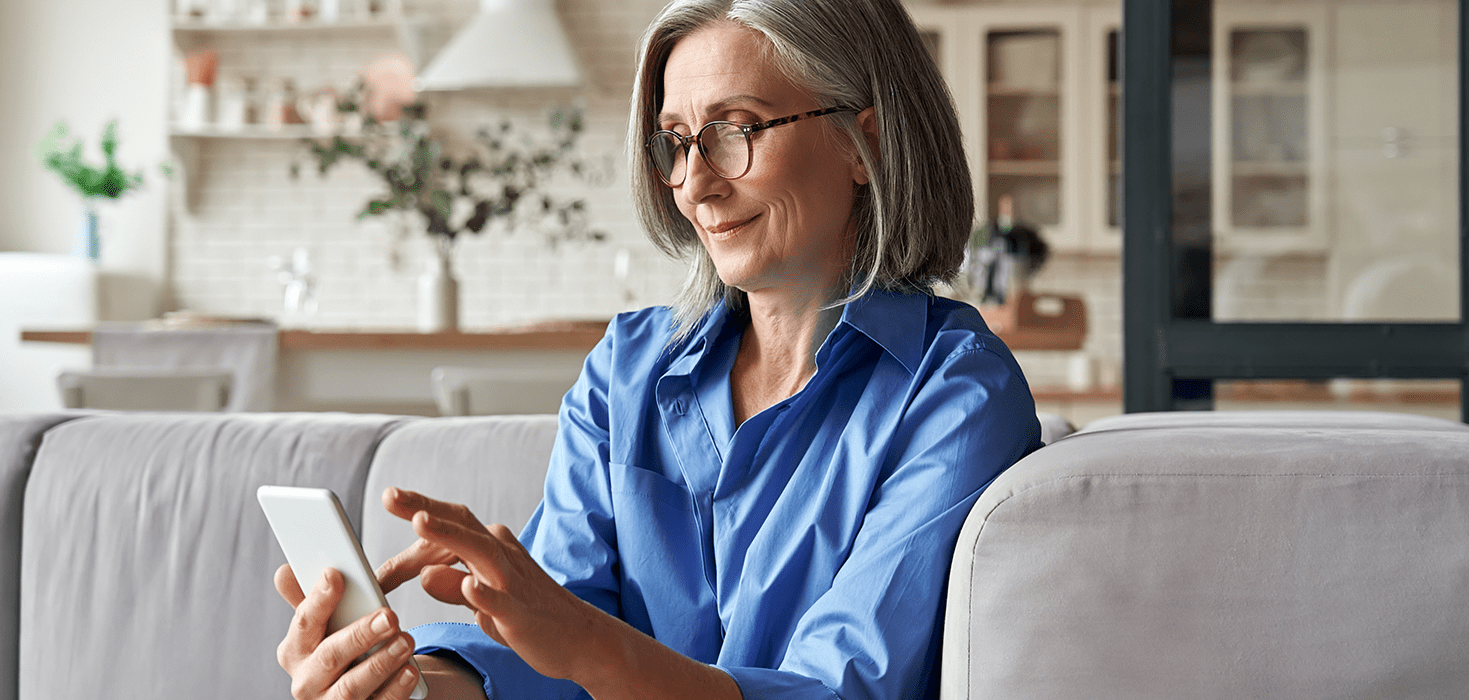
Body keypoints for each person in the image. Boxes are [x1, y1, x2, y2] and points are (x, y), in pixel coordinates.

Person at [273, 1, 1042, 698]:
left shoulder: (955, 393)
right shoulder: (627, 367)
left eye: (736, 130)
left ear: (861, 142)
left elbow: (839, 689)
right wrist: (408, 684)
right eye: (676, 143)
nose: (694, 185)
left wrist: (590, 648)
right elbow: (546, 652)